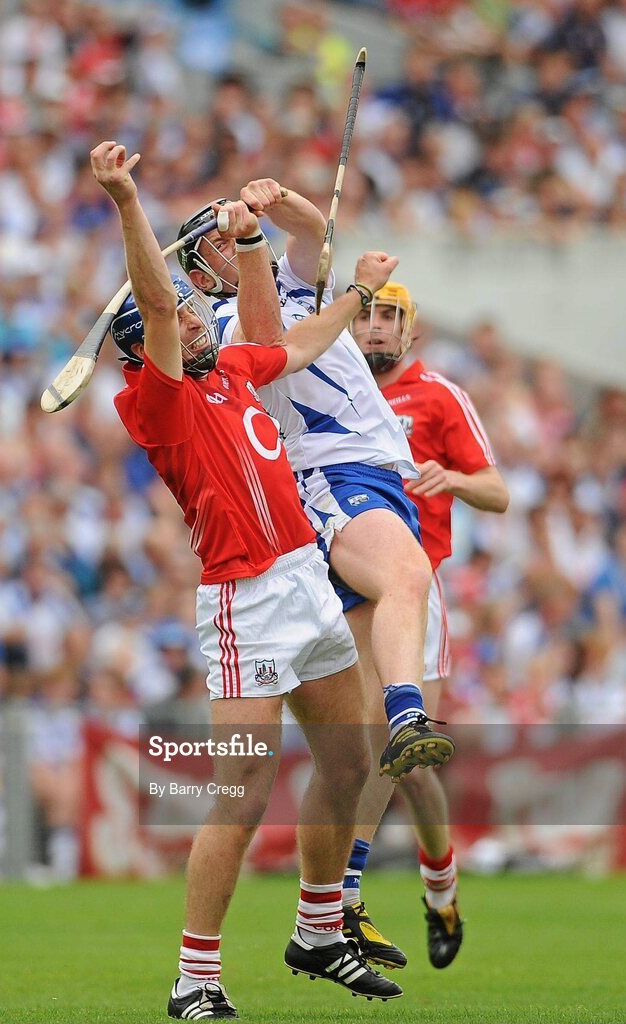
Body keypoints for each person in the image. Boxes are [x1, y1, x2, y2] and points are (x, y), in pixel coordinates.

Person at [89, 141, 403, 1020]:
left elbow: (294, 344)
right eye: (182, 319)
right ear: (143, 348)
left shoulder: (228, 368)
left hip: (304, 576)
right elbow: (153, 294)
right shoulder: (156, 401)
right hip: (246, 602)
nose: (195, 320)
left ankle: (317, 930)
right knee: (241, 793)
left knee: (349, 764)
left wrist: (357, 291)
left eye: (195, 313)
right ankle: (194, 981)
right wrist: (124, 198)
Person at [178, 183, 455, 783]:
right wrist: (252, 237)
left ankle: (343, 877)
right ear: (199, 278)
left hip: (372, 472)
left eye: (234, 238)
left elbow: (312, 231)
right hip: (325, 471)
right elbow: (270, 341)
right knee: (408, 574)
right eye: (216, 245)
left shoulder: (295, 283)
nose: (231, 245)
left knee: (349, 761)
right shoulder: (218, 327)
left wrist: (272, 197)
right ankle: (408, 711)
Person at [340, 282, 509, 971]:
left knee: (410, 761)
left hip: (417, 586)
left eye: (389, 318)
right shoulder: (337, 386)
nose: (376, 329)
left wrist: (453, 479)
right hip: (351, 590)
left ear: (411, 332)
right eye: (367, 316)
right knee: (362, 744)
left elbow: (497, 491)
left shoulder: (438, 395)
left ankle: (439, 886)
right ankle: (343, 897)